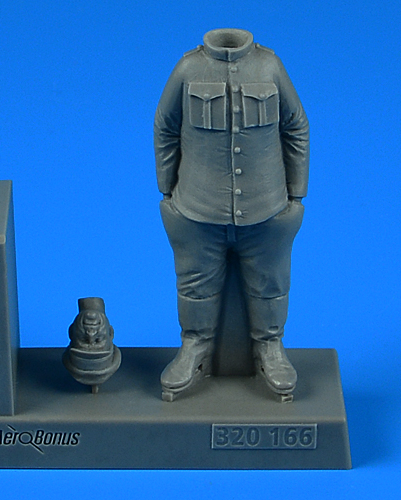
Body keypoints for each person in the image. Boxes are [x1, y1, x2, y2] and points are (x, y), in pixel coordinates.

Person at [154, 28, 309, 401]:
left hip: (267, 207)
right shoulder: (188, 69)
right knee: (194, 285)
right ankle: (194, 346)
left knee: (271, 284)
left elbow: (296, 126)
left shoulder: (270, 66)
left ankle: (270, 347)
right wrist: (167, 191)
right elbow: (165, 127)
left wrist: (296, 195)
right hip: (197, 207)